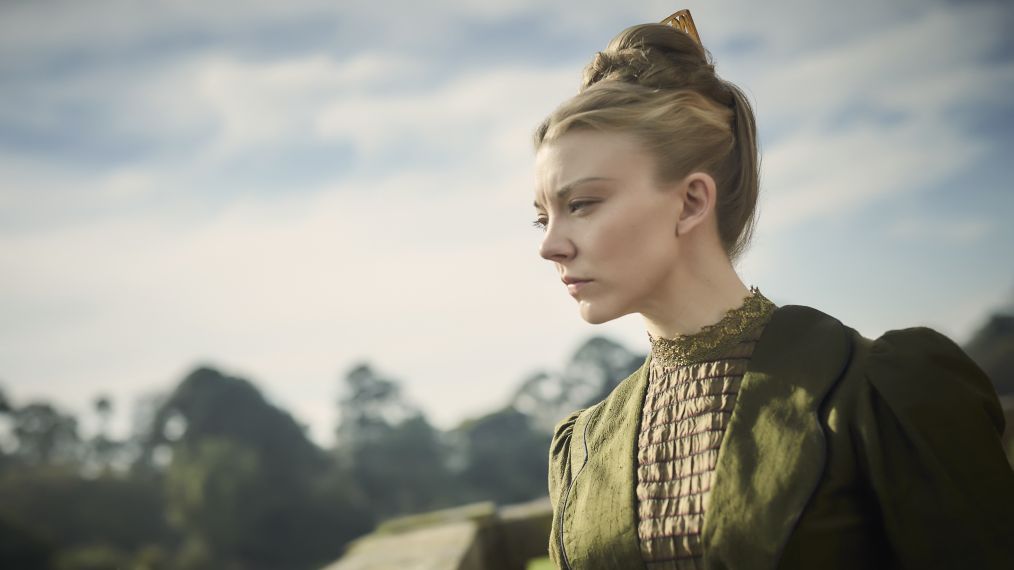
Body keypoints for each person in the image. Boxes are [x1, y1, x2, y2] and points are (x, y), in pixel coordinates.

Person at [530, 10, 1014, 570]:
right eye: (542, 217)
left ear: (691, 202)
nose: (551, 245)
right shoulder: (584, 446)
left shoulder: (879, 392)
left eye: (581, 204)